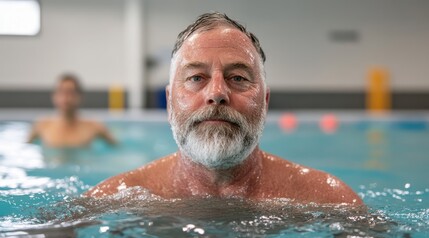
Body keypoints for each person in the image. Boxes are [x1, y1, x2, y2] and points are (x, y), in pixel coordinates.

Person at [86, 12, 362, 205]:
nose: (217, 93)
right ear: (170, 103)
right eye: (196, 78)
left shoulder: (327, 200)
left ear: (264, 102)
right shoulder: (114, 199)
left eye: (238, 78)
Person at [28, 74, 116, 147]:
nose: (65, 98)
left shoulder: (94, 126)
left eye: (70, 93)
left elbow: (116, 150)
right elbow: (25, 150)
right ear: (54, 96)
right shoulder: (42, 125)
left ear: (80, 97)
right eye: (61, 92)